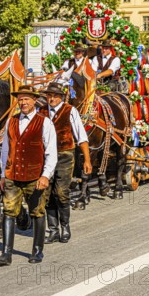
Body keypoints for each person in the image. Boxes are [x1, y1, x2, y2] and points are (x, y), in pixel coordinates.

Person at [0, 85, 58, 266]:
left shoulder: (44, 122)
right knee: (9, 211)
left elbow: (51, 152)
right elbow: (5, 150)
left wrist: (46, 175)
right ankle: (6, 253)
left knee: (37, 211)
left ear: (34, 101)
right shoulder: (11, 121)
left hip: (34, 175)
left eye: (26, 99)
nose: (23, 102)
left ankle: (37, 251)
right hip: (12, 175)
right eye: (20, 99)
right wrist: (2, 174)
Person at [40, 82, 92, 244]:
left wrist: (87, 160)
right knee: (46, 194)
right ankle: (53, 230)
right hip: (46, 157)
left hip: (64, 155)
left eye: (55, 95)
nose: (52, 98)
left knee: (61, 193)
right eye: (49, 95)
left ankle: (65, 227)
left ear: (61, 97)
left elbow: (81, 137)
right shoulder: (40, 112)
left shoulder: (70, 110)